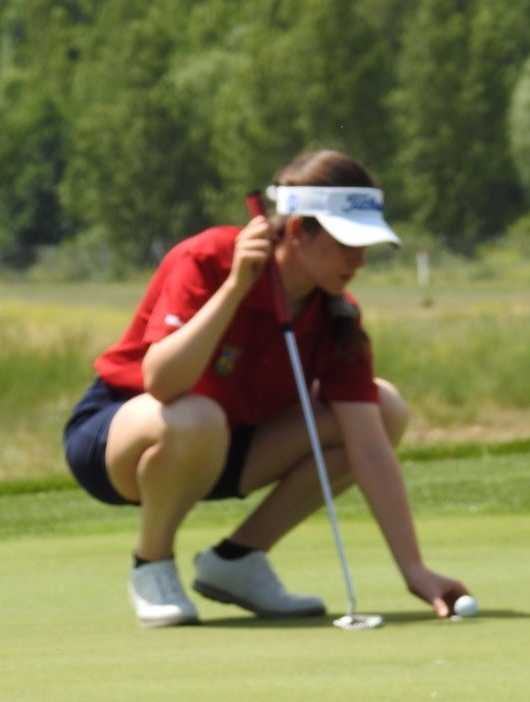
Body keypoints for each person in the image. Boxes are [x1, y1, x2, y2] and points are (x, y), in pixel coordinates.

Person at [63, 149, 471, 627]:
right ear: (298, 231)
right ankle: (151, 565)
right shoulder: (209, 257)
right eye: (346, 243)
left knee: (384, 408)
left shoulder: (337, 313)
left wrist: (413, 569)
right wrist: (236, 288)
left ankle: (237, 560)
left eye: (366, 246)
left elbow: (369, 446)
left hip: (228, 447)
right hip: (125, 437)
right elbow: (163, 382)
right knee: (195, 416)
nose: (360, 260)